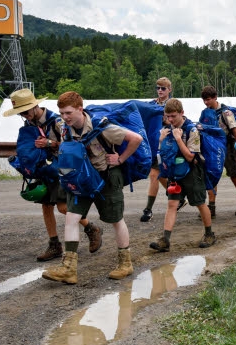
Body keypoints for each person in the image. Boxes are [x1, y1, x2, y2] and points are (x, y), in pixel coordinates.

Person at [42, 91, 142, 284]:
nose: (64, 117)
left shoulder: (102, 127)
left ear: (80, 109)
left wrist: (120, 159)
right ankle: (68, 269)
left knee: (116, 220)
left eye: (68, 113)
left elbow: (135, 139)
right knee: (71, 218)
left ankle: (125, 263)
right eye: (61, 113)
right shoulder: (64, 129)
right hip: (80, 180)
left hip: (106, 178)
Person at [4, 89, 103, 262]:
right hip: (44, 169)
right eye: (21, 113)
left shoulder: (57, 121)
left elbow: (72, 145)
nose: (25, 116)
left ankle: (91, 228)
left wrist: (50, 143)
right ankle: (54, 244)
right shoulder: (29, 127)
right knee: (46, 207)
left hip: (62, 169)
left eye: (26, 112)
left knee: (63, 208)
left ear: (35, 106)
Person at [149, 98, 217, 252]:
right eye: (168, 116)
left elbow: (190, 157)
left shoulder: (192, 130)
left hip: (192, 173)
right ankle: (165, 239)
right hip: (175, 173)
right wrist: (160, 141)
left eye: (173, 116)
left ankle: (209, 234)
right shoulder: (167, 129)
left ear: (182, 113)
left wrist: (179, 139)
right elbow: (162, 154)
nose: (170, 120)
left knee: (200, 203)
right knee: (172, 204)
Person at [199, 86, 236, 217]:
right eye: (204, 100)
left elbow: (235, 131)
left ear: (215, 97)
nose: (206, 102)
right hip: (213, 146)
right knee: (212, 175)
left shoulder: (226, 113)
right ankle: (212, 207)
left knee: (234, 175)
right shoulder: (205, 112)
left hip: (229, 145)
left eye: (208, 99)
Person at [141, 77, 186, 222]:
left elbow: (180, 120)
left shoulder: (173, 104)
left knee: (156, 175)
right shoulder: (151, 104)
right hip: (154, 145)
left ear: (169, 90)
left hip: (168, 144)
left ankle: (149, 209)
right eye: (158, 87)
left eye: (163, 88)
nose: (160, 90)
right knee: (158, 175)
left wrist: (166, 119)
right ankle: (177, 197)